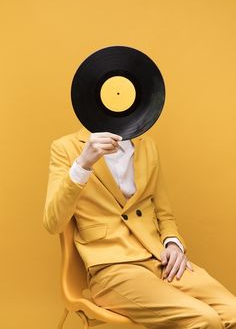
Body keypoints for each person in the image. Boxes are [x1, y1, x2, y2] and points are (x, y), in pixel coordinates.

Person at [43, 127, 236, 328]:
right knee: (204, 320)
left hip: (160, 260)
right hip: (112, 269)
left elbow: (164, 213)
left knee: (233, 312)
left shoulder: (147, 146)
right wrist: (83, 164)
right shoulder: (65, 147)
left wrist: (173, 244)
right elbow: (53, 222)